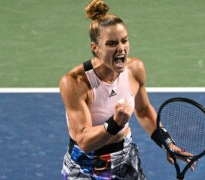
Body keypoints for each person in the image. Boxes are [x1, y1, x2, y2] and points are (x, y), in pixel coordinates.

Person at [59, 0, 195, 179]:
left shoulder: (135, 69)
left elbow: (144, 111)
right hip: (86, 164)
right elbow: (84, 141)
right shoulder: (75, 82)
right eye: (112, 43)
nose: (121, 48)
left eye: (124, 41)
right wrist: (115, 123)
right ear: (96, 48)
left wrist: (167, 142)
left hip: (125, 158)